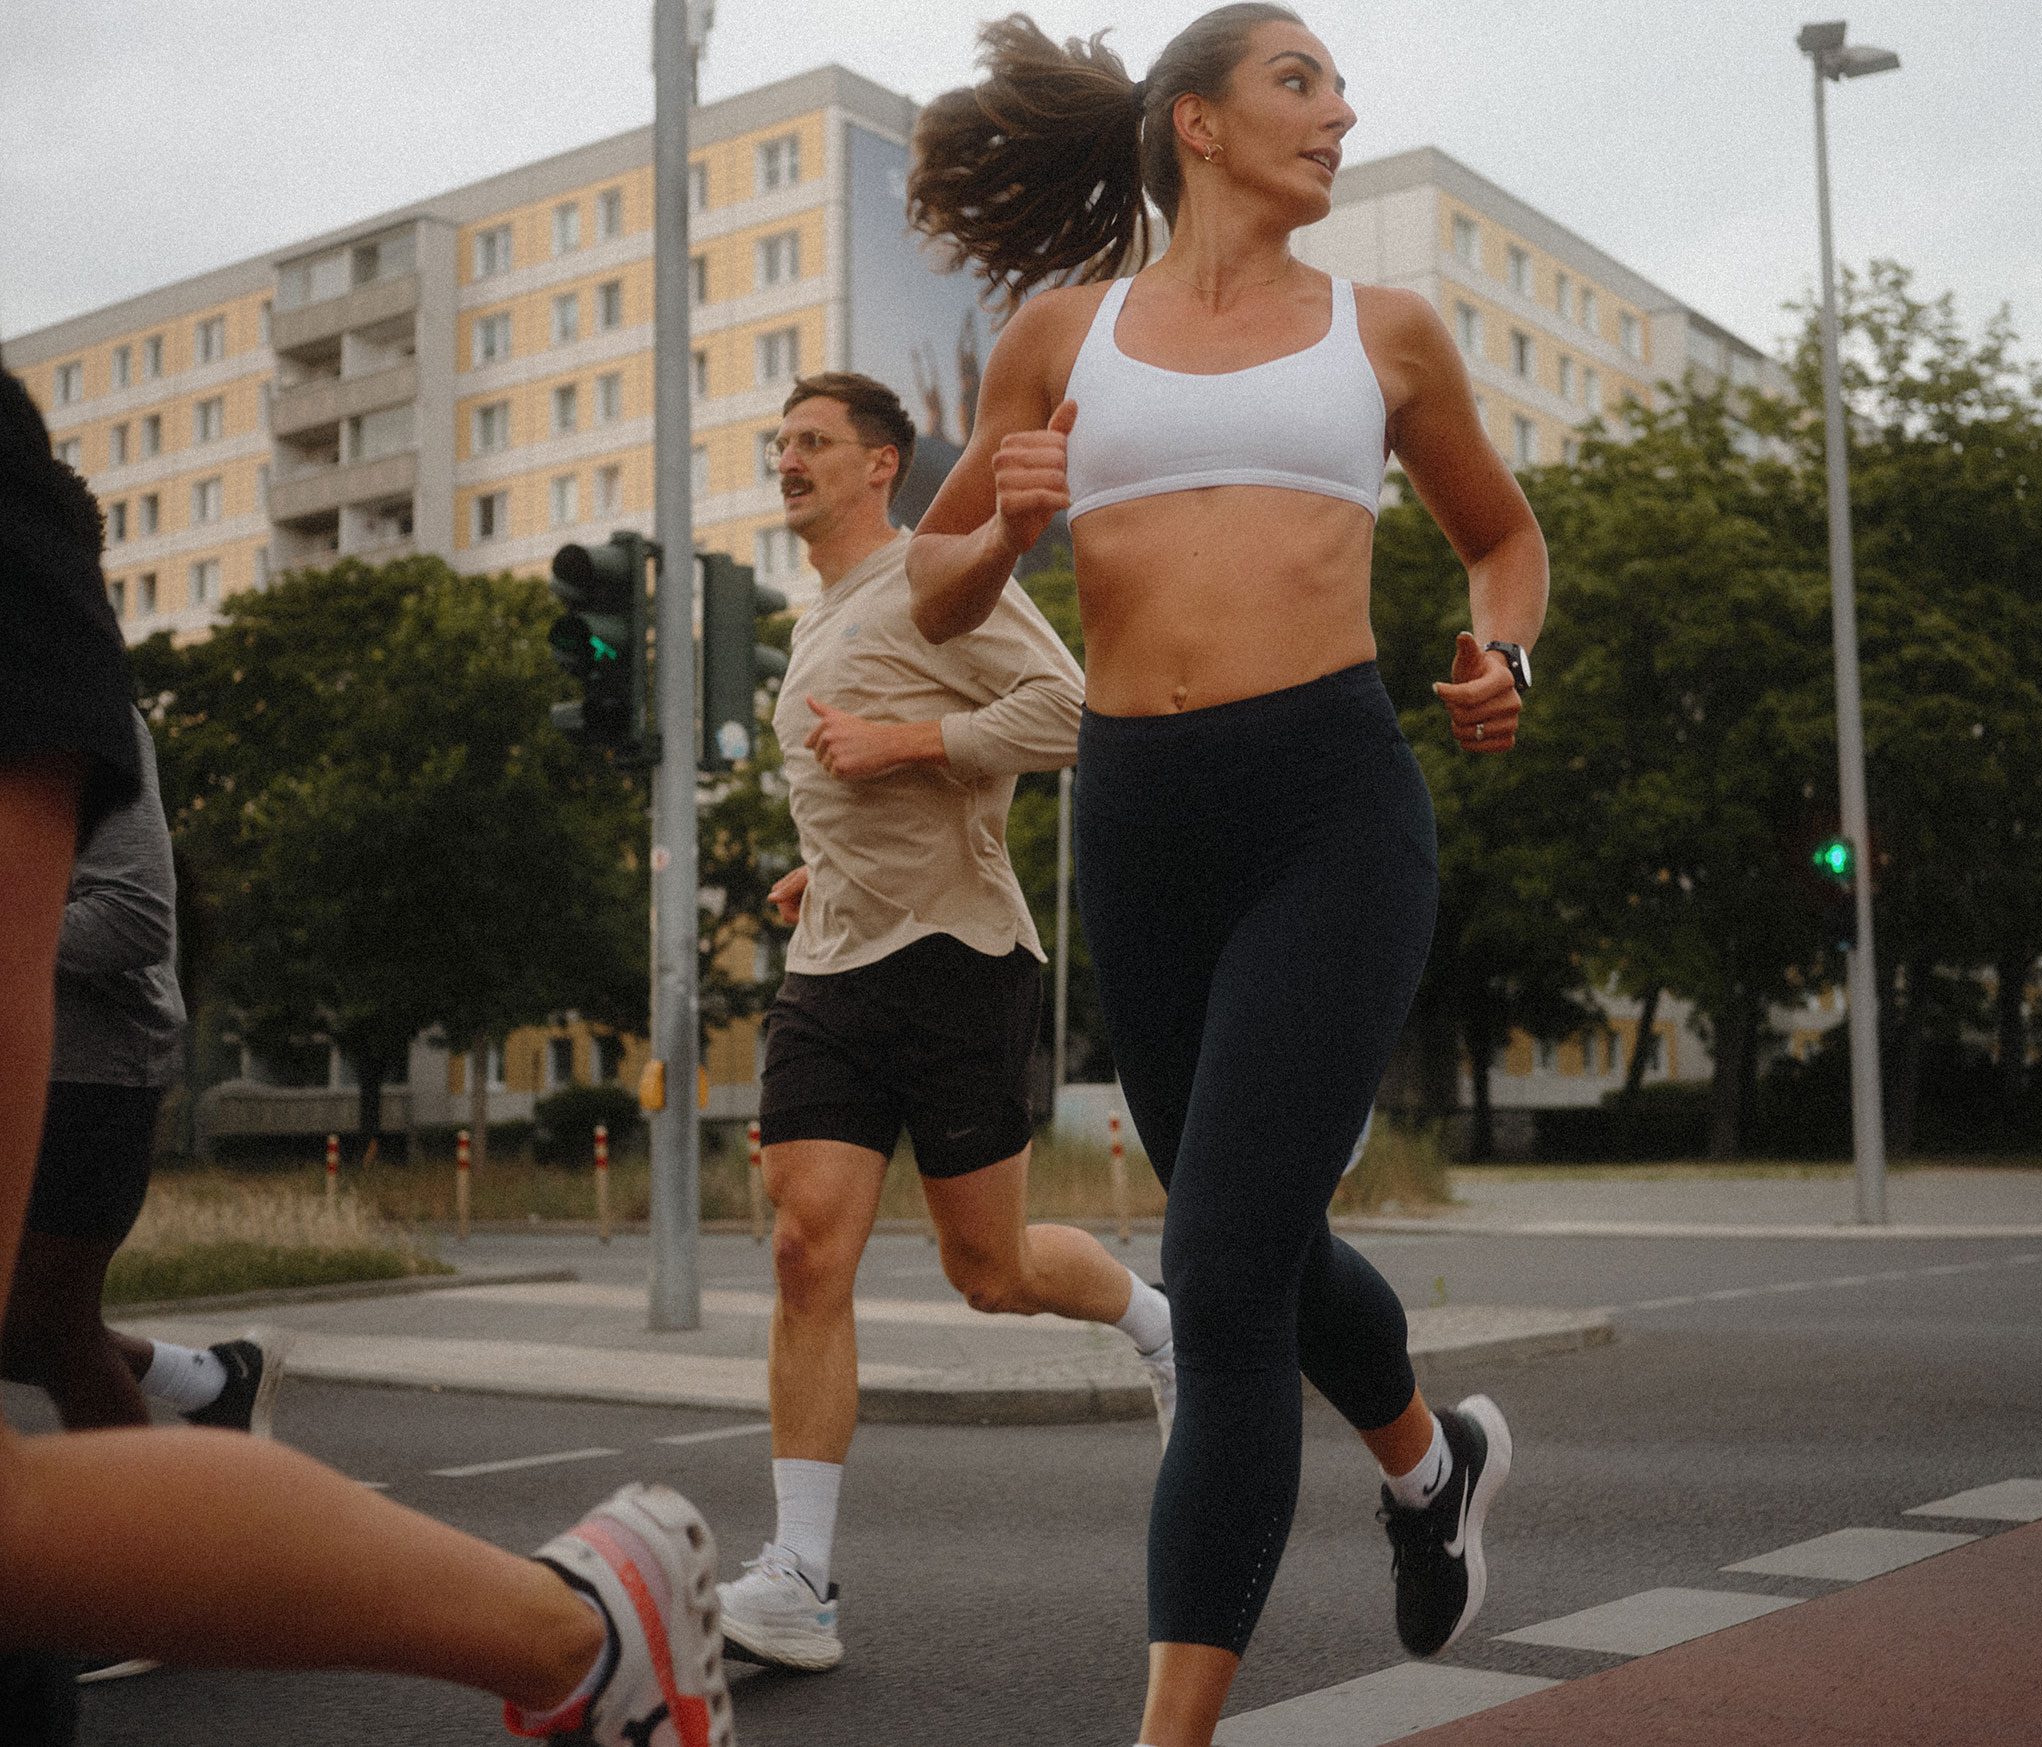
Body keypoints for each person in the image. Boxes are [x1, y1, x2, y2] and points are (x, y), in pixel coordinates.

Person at [904, 10, 1548, 1743]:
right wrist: (1004, 520)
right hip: (1140, 822)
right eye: (1300, 81)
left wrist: (1504, 654)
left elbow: (1501, 537)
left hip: (1330, 808)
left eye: (1335, 86)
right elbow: (937, 600)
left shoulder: (1383, 332)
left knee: (1218, 1275)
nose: (1341, 111)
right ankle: (1431, 1468)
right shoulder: (1059, 337)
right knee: (1245, 1235)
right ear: (1197, 124)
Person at [0, 359, 733, 1746]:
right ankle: (566, 1616)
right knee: (34, 1358)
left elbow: (135, 916)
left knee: (39, 1352)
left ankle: (573, 1628)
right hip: (81, 1060)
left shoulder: (82, 695)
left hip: (94, 1070)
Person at [719, 370, 1176, 1674]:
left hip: (955, 958)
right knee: (805, 1247)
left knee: (991, 1269)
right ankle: (798, 1575)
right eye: (779, 440)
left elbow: (1073, 712)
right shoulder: (814, 619)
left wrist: (907, 741)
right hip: (832, 966)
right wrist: (820, 863)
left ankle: (1161, 1326)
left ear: (882, 463)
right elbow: (852, 779)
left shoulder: (935, 575)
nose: (787, 457)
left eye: (812, 440)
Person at [0, 695, 292, 1453]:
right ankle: (213, 1385)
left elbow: (134, 917)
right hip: (23, 1064)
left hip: (90, 1072)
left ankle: (159, 1504)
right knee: (32, 1326)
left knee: (39, 1328)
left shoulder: (75, 710)